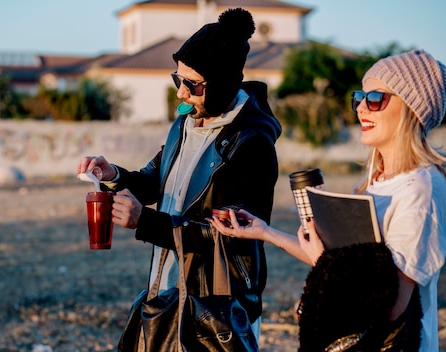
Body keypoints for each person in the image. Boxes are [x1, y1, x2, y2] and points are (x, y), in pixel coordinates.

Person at [210, 49, 446, 351]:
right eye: (359, 97)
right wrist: (262, 231)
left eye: (375, 99)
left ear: (412, 109)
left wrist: (326, 264)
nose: (361, 108)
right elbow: (340, 261)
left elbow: (391, 306)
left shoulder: (420, 189)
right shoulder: (377, 182)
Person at [76, 8, 282, 349]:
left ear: (221, 84)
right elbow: (154, 181)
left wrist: (145, 223)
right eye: (178, 79)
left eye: (193, 84)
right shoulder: (186, 124)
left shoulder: (251, 144)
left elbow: (234, 236)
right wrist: (112, 175)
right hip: (170, 290)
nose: (180, 93)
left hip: (216, 309)